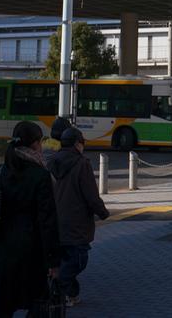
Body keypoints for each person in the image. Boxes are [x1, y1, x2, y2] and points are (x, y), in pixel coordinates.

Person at [0, 120, 61, 317]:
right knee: (35, 300)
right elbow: (47, 220)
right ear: (34, 143)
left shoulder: (2, 170)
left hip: (3, 243)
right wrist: (53, 260)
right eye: (40, 142)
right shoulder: (40, 175)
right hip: (31, 247)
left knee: (3, 301)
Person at [47, 127, 109, 308]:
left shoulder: (51, 162)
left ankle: (69, 294)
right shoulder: (82, 164)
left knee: (63, 257)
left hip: (55, 220)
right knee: (78, 259)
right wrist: (102, 212)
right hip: (77, 221)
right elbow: (91, 194)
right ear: (76, 144)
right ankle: (61, 286)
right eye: (82, 142)